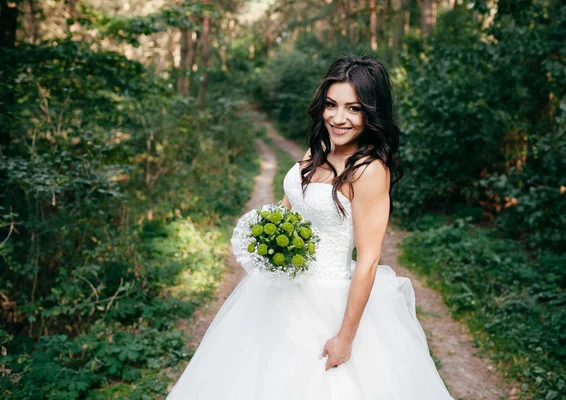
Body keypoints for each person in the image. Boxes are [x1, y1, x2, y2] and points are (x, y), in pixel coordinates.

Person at [166, 55, 454, 399]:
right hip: (279, 291)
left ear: (371, 112)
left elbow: (368, 260)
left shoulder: (369, 171)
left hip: (329, 299)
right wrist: (268, 238)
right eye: (331, 105)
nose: (338, 118)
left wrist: (345, 338)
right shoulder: (316, 149)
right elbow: (289, 210)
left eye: (353, 108)